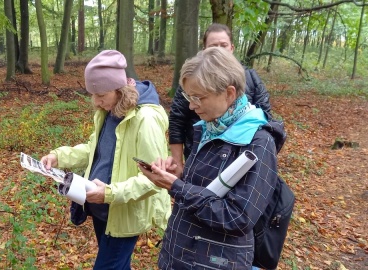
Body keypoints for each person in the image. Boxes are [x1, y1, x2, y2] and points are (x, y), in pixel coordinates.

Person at [139, 47, 286, 269]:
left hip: (216, 261)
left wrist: (177, 187)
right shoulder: (208, 128)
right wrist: (179, 174)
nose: (191, 105)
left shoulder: (259, 143)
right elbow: (205, 190)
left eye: (198, 97)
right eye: (189, 96)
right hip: (180, 253)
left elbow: (237, 217)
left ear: (229, 93)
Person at [40, 50, 171, 270]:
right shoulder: (108, 112)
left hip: (125, 213)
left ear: (120, 89)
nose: (97, 102)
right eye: (93, 94)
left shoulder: (145, 119)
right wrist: (58, 156)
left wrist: (109, 193)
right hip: (102, 210)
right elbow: (93, 150)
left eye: (101, 95)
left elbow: (155, 179)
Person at [169, 23, 272, 176]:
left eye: (223, 45)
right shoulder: (192, 81)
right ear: (204, 51)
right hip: (198, 155)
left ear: (232, 48)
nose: (218, 50)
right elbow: (177, 121)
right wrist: (177, 164)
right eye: (213, 46)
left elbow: (266, 118)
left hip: (238, 163)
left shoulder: (250, 78)